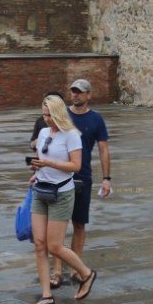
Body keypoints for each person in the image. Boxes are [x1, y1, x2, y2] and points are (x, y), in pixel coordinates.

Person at [26, 94, 97, 304]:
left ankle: (86, 273)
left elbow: (76, 166)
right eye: (44, 114)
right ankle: (46, 295)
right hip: (41, 190)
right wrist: (37, 169)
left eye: (49, 115)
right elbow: (43, 159)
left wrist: (49, 162)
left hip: (62, 193)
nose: (46, 119)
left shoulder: (72, 135)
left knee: (54, 245)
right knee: (39, 245)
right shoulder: (43, 132)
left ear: (58, 113)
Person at [66, 78, 112, 266]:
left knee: (79, 223)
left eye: (79, 91)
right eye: (73, 91)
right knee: (58, 225)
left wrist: (106, 178)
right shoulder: (62, 116)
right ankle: (58, 270)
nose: (75, 94)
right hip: (60, 176)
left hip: (83, 177)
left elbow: (103, 149)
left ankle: (76, 265)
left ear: (88, 95)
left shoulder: (96, 119)